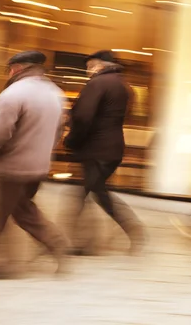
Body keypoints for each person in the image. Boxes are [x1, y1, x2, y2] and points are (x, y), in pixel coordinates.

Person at [0, 50, 68, 277]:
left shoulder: (14, 93)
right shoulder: (55, 93)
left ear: (16, 68)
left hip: (11, 167)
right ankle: (52, 247)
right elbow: (59, 131)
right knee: (22, 210)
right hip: (38, 167)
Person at [64, 50, 145, 256]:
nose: (88, 70)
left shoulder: (98, 84)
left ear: (101, 64)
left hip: (95, 148)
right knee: (92, 192)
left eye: (91, 65)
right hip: (113, 147)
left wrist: (71, 140)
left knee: (92, 193)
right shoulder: (125, 86)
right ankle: (85, 242)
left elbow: (83, 117)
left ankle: (128, 230)